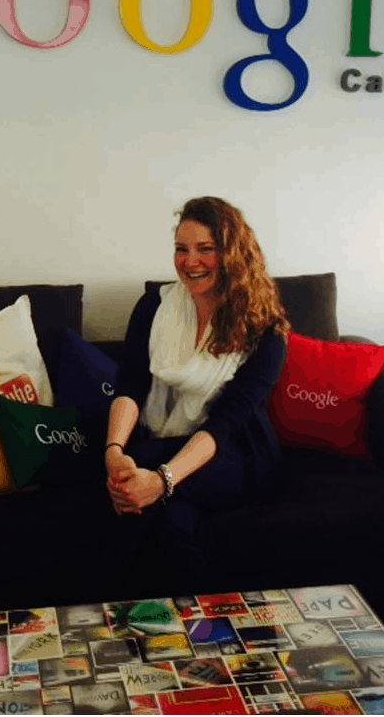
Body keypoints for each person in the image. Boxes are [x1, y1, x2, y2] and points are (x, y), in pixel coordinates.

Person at [103, 196, 290, 590]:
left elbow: (225, 424)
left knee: (141, 481)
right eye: (182, 249)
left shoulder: (266, 330)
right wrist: (114, 452)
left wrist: (161, 480)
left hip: (237, 455)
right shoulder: (155, 306)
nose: (191, 262)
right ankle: (211, 631)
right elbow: (131, 384)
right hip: (163, 441)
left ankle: (97, 615)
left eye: (206, 249)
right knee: (172, 522)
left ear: (233, 254)